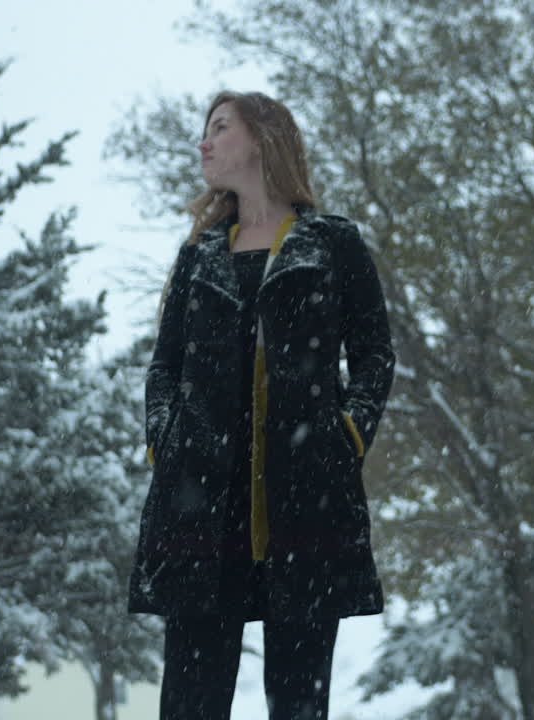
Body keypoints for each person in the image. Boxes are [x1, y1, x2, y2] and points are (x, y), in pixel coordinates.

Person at [128, 90, 396, 720]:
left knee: (299, 703)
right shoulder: (198, 254)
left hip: (305, 504)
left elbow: (375, 355)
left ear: (263, 139)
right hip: (199, 509)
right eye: (205, 131)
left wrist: (347, 435)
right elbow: (164, 366)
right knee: (190, 703)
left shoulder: (332, 244)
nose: (205, 143)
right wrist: (167, 439)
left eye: (220, 128)